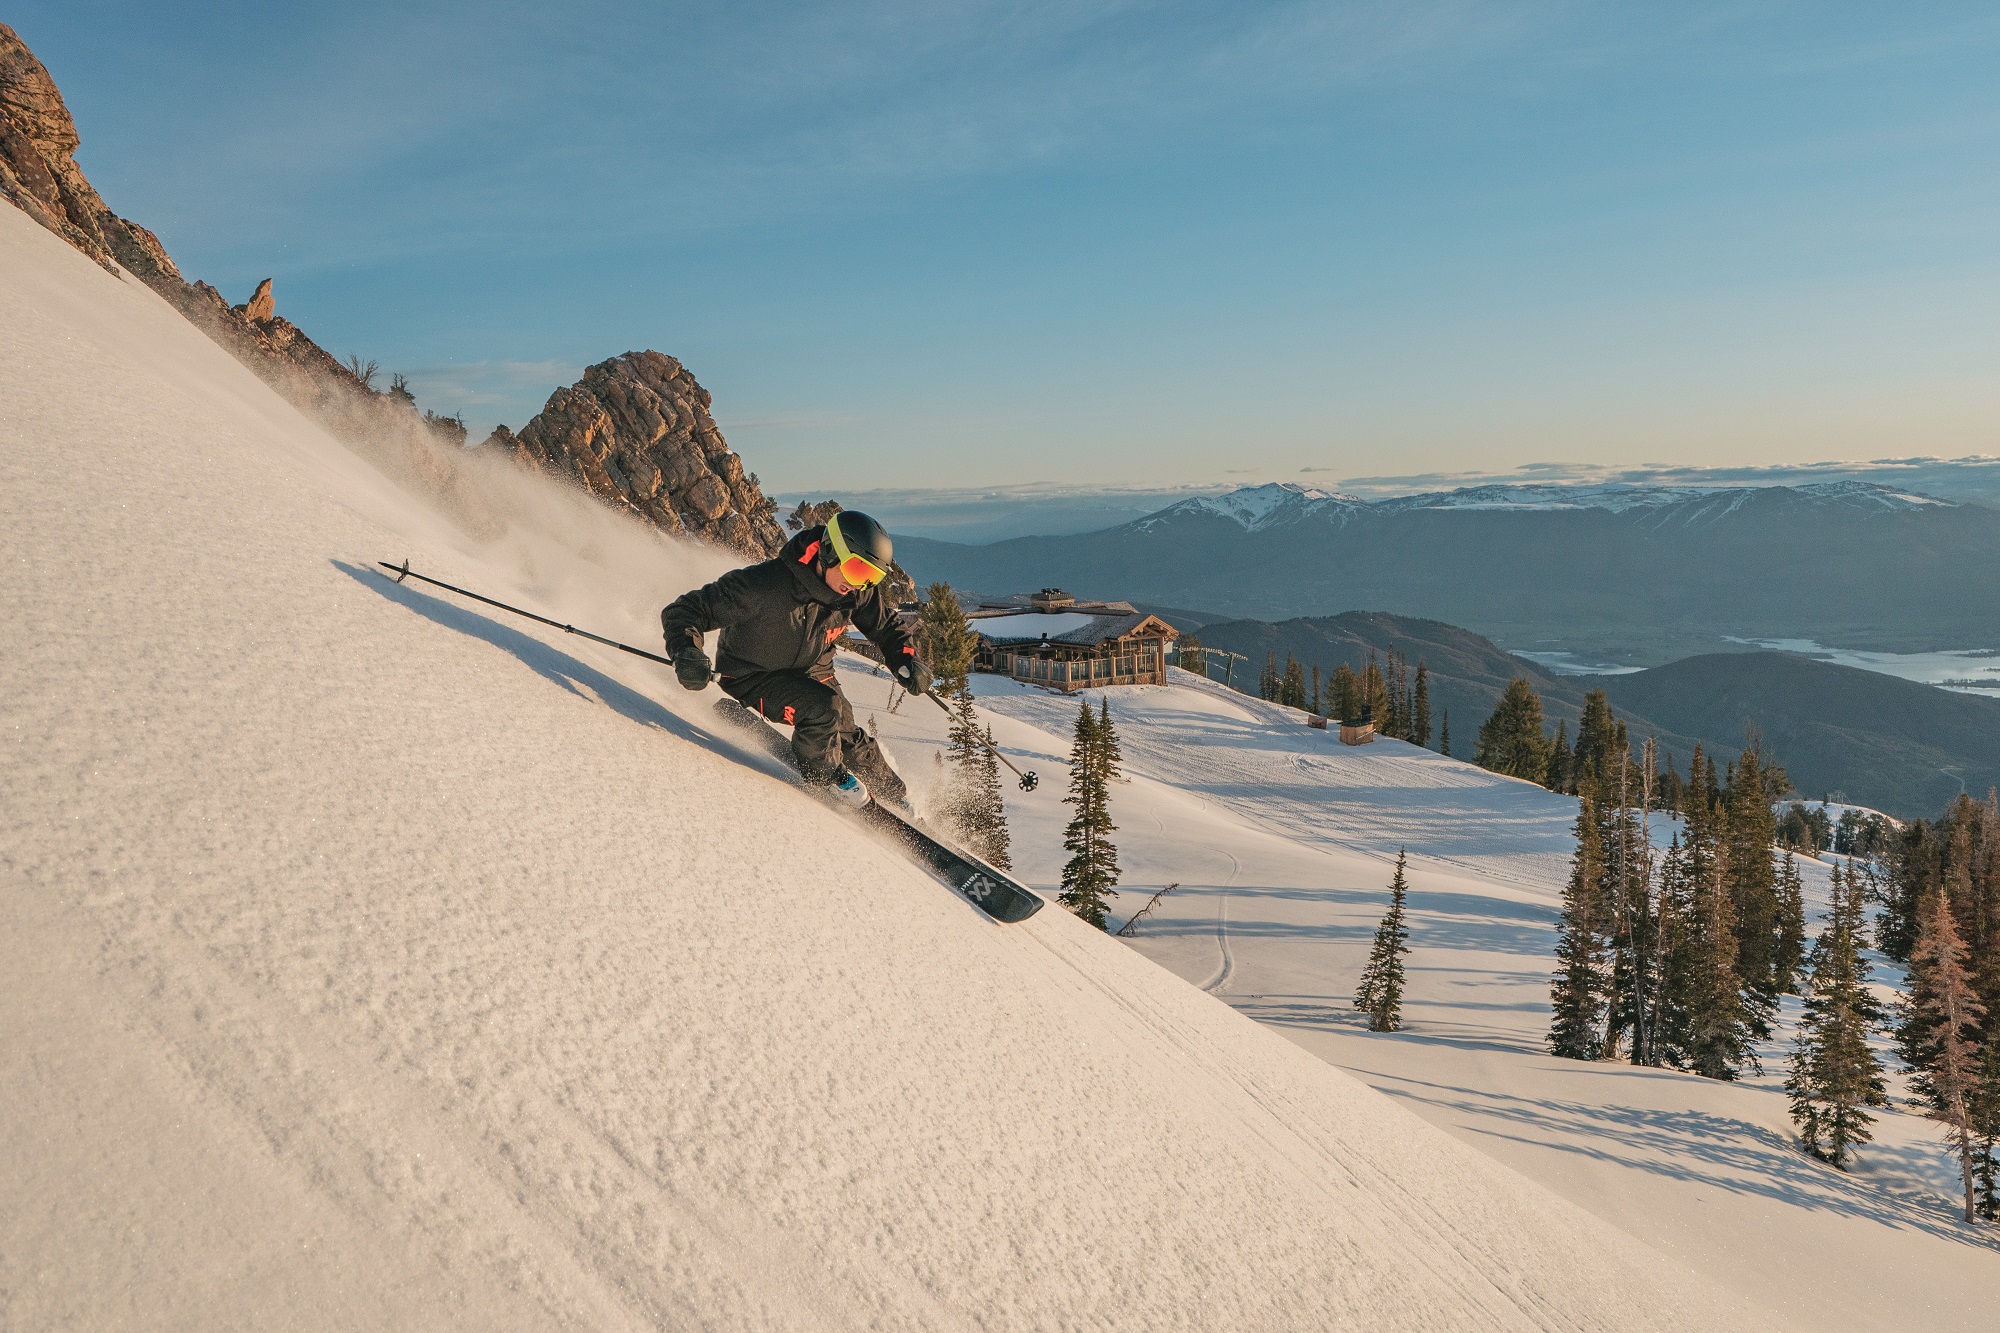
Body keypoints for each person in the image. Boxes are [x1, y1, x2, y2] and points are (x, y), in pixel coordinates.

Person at [661, 510, 931, 807]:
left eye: (872, 578)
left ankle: (897, 797)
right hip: (754, 675)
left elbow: (886, 627)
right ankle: (826, 777)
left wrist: (907, 659)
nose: (860, 585)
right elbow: (686, 610)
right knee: (822, 710)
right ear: (830, 552)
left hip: (814, 667)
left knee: (847, 733)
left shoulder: (854, 591)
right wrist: (687, 651)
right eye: (857, 571)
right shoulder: (764, 585)